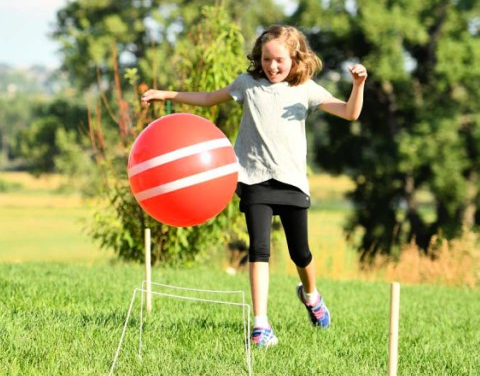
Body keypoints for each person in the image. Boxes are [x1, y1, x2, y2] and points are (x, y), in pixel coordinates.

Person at [141, 24, 367, 348]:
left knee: (299, 252)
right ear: (258, 58)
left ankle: (311, 295)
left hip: (291, 181)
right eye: (265, 59)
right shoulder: (247, 84)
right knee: (259, 249)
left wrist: (358, 85)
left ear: (295, 58)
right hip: (253, 177)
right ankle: (260, 325)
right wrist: (167, 94)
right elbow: (208, 99)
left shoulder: (306, 88)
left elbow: (349, 113)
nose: (272, 66)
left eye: (279, 60)